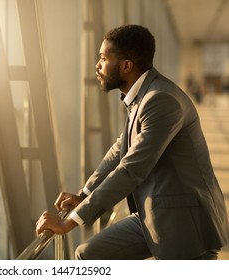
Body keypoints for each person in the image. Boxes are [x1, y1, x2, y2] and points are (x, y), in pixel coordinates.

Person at [35, 24, 229, 260]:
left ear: (126, 66)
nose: (97, 65)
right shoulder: (143, 96)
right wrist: (84, 194)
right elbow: (119, 150)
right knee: (88, 255)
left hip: (185, 224)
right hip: (155, 214)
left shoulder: (160, 100)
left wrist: (70, 222)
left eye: (103, 58)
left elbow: (131, 169)